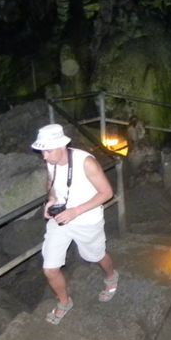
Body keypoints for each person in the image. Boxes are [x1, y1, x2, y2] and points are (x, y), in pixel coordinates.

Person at [33, 123, 118, 325]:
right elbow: (51, 184)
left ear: (62, 146)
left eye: (48, 150)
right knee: (50, 268)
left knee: (95, 256)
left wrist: (76, 211)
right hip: (61, 219)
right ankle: (64, 301)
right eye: (42, 151)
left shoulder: (86, 162)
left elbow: (107, 193)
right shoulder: (50, 161)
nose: (44, 156)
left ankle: (111, 275)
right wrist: (51, 200)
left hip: (87, 220)